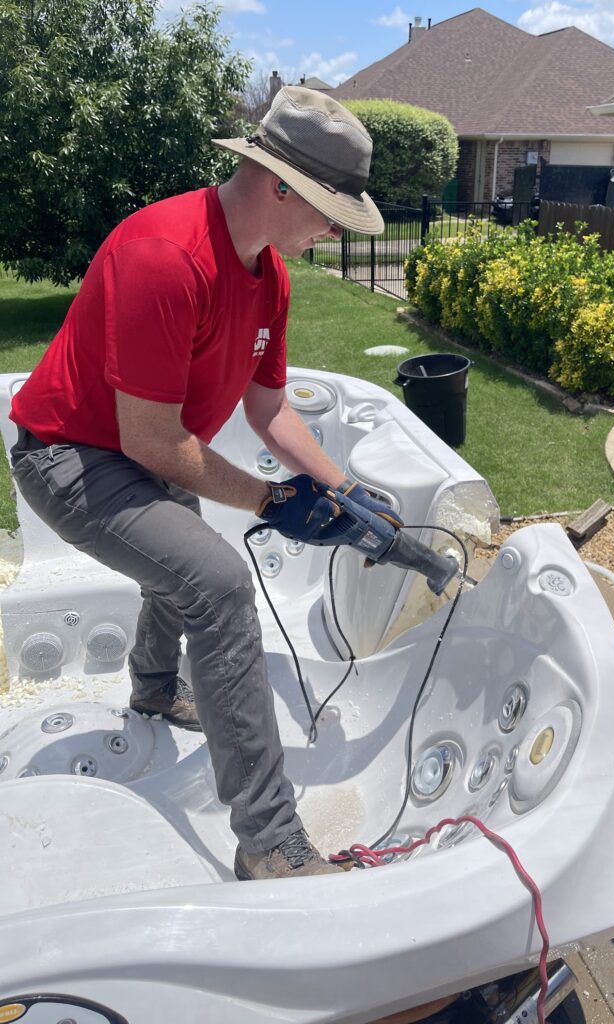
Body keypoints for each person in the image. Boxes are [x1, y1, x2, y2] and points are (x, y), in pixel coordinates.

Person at [8, 86, 396, 882]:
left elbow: (269, 411)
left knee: (179, 551)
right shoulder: (166, 253)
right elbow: (150, 438)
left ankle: (152, 689)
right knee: (215, 581)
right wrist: (270, 501)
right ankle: (269, 842)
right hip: (68, 456)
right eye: (329, 209)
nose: (332, 228)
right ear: (281, 184)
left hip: (136, 451)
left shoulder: (270, 279)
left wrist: (343, 487)